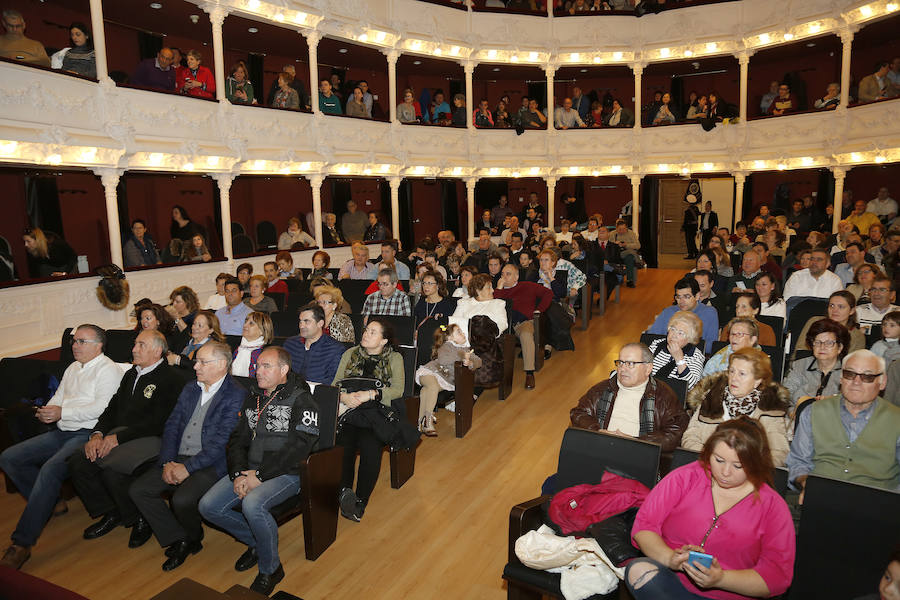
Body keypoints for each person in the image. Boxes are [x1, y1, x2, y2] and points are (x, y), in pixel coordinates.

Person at [626, 418, 795, 599]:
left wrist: (721, 579)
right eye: (719, 460)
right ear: (708, 453)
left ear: (757, 463)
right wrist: (670, 558)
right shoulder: (686, 478)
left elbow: (776, 576)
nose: (725, 472)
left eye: (738, 465)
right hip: (672, 583)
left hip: (730, 594)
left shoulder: (772, 506)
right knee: (638, 570)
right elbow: (645, 526)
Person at [198, 346, 319, 595]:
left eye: (266, 366)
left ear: (284, 370)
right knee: (208, 506)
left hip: (287, 473)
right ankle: (259, 543)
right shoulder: (253, 396)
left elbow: (299, 449)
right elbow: (237, 440)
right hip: (249, 470)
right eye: (257, 366)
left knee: (252, 504)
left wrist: (260, 475)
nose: (257, 371)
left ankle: (270, 568)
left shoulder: (302, 399)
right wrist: (239, 473)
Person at [0, 325, 122, 570]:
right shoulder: (73, 367)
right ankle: (53, 501)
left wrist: (63, 412)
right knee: (9, 457)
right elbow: (59, 396)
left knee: (50, 470)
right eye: (74, 341)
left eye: (81, 342)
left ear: (99, 345)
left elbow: (102, 409)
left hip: (87, 434)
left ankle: (21, 544)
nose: (75, 345)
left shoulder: (109, 370)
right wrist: (49, 411)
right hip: (62, 430)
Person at [128, 341, 244, 571]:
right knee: (138, 490)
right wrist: (167, 462)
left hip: (210, 463)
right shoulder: (191, 388)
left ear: (222, 364)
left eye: (202, 362)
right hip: (178, 456)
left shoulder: (235, 394)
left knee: (181, 500)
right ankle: (180, 538)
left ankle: (191, 539)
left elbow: (221, 443)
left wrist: (187, 468)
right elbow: (172, 425)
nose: (195, 367)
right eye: (196, 361)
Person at [67, 330, 182, 546]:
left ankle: (139, 518)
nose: (133, 349)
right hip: (123, 435)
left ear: (157, 351)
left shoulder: (171, 379)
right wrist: (97, 434)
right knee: (78, 461)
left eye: (141, 345)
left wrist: (118, 438)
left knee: (112, 469)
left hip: (152, 438)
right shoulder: (131, 374)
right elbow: (112, 408)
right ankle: (112, 511)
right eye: (135, 344)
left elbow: (160, 422)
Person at [786, 349, 900, 492]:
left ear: (882, 382)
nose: (856, 382)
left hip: (877, 503)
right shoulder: (813, 412)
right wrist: (806, 486)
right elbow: (798, 462)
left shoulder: (896, 420)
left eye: (867, 376)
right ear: (841, 378)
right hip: (821, 496)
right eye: (849, 374)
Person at [333, 318, 406, 521]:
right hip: (350, 411)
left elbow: (397, 390)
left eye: (373, 332)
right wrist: (345, 397)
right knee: (343, 447)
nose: (366, 334)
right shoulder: (350, 353)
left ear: (384, 340)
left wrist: (371, 394)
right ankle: (345, 493)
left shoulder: (394, 358)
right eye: (366, 330)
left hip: (377, 413)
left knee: (370, 448)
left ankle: (360, 501)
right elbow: (335, 384)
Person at [570, 343, 688, 452]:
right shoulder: (602, 389)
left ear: (648, 368)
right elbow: (578, 413)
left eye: (630, 364)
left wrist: (636, 441)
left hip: (638, 455)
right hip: (600, 449)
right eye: (620, 363)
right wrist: (598, 432)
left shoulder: (664, 396)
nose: (622, 369)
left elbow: (675, 433)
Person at [684, 347, 790, 465]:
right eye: (732, 371)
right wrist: (716, 459)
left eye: (742, 374)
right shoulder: (712, 399)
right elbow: (690, 438)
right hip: (706, 467)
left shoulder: (769, 408)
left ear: (757, 381)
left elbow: (780, 453)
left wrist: (747, 466)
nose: (734, 378)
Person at [414, 323, 482, 436]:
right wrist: (462, 358)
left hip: (444, 380)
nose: (463, 333)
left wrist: (470, 362)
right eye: (459, 332)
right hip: (430, 372)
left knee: (427, 391)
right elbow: (443, 360)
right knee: (432, 387)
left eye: (462, 331)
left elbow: (479, 361)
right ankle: (428, 421)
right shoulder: (446, 346)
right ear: (450, 338)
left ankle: (418, 422)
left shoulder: (466, 349)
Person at [494, 264, 553, 390]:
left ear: (516, 276)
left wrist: (538, 311)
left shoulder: (527, 286)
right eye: (502, 274)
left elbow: (548, 293)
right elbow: (494, 307)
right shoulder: (498, 290)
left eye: (508, 274)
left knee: (526, 334)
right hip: (502, 325)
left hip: (522, 323)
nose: (504, 277)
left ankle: (529, 373)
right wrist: (499, 289)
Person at [782, 318, 849, 413]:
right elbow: (784, 396)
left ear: (840, 348)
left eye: (829, 343)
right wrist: (792, 413)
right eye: (817, 342)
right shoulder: (800, 365)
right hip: (796, 420)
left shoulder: (848, 371)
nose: (822, 347)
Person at [647, 277, 719, 354]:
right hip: (665, 354)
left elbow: (710, 346)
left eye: (686, 296)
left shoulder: (709, 313)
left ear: (697, 296)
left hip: (694, 357)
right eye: (678, 297)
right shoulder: (668, 312)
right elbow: (651, 338)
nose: (682, 301)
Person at [283, 304, 345, 384]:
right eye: (300, 321)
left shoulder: (334, 349)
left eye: (306, 321)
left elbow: (333, 381)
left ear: (320, 323)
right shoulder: (290, 344)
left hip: (318, 393)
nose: (301, 326)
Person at [647, 311, 707, 389]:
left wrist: (679, 359)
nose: (674, 335)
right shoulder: (657, 344)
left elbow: (693, 387)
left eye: (680, 333)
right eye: (672, 329)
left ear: (690, 338)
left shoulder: (695, 356)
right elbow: (640, 367)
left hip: (673, 397)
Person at [795, 291, 865, 355]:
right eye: (831, 305)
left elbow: (851, 363)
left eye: (841, 307)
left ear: (851, 311)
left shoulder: (857, 337)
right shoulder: (815, 322)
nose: (834, 310)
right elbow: (800, 350)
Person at [232, 312, 273, 378]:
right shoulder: (236, 348)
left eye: (251, 323)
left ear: (262, 331)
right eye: (246, 321)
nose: (245, 325)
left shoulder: (265, 353)